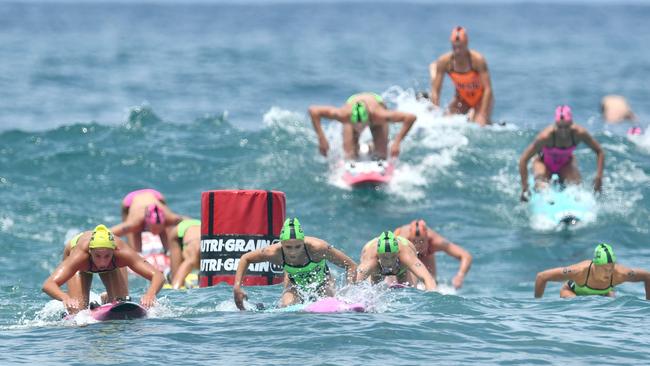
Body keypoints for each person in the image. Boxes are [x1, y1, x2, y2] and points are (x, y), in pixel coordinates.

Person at [233, 218, 357, 310]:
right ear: (281, 243)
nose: (293, 252)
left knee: (329, 305)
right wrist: (237, 287)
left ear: (303, 242)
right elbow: (246, 258)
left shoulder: (319, 248)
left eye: (298, 246)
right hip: (295, 286)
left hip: (323, 283)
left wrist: (349, 293)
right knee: (286, 306)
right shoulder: (272, 252)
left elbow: (350, 265)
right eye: (288, 247)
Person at [42, 224, 165, 314]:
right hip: (80, 263)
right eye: (98, 256)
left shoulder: (122, 253)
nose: (102, 262)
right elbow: (48, 284)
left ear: (114, 251)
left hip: (113, 266)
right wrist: (65, 298)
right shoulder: (79, 256)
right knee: (78, 312)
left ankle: (106, 298)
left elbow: (158, 275)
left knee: (121, 305)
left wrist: (150, 293)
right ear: (90, 252)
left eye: (107, 256)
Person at [518, 105, 605, 202]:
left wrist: (599, 178)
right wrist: (525, 188)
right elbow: (523, 159)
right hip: (544, 164)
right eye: (560, 127)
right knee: (542, 187)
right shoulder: (545, 137)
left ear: (571, 123)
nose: (563, 131)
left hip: (566, 164)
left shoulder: (579, 133)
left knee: (576, 188)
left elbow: (599, 151)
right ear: (555, 124)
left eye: (566, 126)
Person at [308, 92, 416, 160]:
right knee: (349, 156)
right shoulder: (344, 115)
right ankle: (358, 147)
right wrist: (322, 139)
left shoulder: (379, 115)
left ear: (368, 119)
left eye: (362, 125)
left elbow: (410, 117)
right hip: (353, 103)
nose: (360, 128)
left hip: (375, 103)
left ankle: (371, 146)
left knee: (381, 156)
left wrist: (397, 143)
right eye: (356, 125)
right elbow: (314, 111)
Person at [534, 243, 650, 299]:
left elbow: (647, 276)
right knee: (575, 302)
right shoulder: (579, 271)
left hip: (604, 293)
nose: (608, 273)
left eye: (611, 268)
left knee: (612, 307)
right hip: (572, 292)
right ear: (595, 265)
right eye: (605, 269)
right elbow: (542, 276)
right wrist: (537, 306)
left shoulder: (620, 274)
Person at [429, 26, 494, 126]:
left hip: (481, 98)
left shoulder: (477, 60)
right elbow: (436, 91)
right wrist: (435, 112)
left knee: (479, 124)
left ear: (466, 44)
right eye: (455, 47)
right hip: (462, 98)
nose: (458, 51)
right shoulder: (445, 62)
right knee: (445, 122)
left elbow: (488, 89)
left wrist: (482, 114)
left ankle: (487, 122)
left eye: (460, 47)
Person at [394, 219, 472, 289]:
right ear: (410, 239)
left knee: (431, 280)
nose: (418, 245)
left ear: (427, 238)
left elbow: (466, 256)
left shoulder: (435, 241)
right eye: (415, 241)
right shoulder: (403, 242)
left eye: (422, 241)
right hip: (407, 253)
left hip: (427, 254)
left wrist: (460, 276)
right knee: (407, 282)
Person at [110, 188, 184, 255]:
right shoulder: (135, 223)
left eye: (159, 229)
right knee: (134, 232)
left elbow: (189, 221)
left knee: (167, 230)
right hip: (130, 200)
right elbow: (110, 232)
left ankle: (168, 251)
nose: (156, 232)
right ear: (148, 224)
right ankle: (137, 253)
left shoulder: (169, 217)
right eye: (154, 229)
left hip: (155, 195)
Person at [355, 231, 437, 290]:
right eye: (385, 258)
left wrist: (432, 300)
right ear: (378, 255)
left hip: (404, 253)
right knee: (374, 289)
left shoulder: (406, 255)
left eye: (393, 257)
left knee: (409, 289)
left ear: (397, 253)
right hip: (372, 253)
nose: (389, 262)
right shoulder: (371, 259)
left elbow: (427, 279)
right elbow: (354, 282)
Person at [167, 218, 201, 289]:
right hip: (179, 232)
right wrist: (175, 287)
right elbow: (175, 289)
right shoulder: (193, 257)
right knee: (175, 276)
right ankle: (171, 276)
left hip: (199, 226)